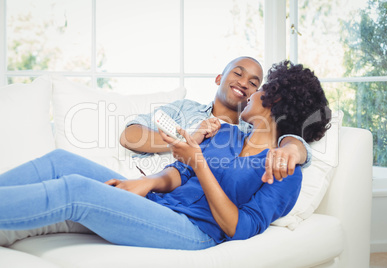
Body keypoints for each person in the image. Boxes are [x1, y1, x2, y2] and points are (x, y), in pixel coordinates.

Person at [0, 61, 330, 249]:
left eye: (260, 88)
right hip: (159, 204)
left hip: (193, 230)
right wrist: (149, 184)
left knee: (76, 191)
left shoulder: (285, 170)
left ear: (273, 101)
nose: (250, 93)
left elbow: (239, 228)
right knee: (62, 161)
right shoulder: (225, 133)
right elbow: (179, 173)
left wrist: (198, 161)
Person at [120, 56, 311, 184]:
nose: (244, 83)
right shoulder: (185, 108)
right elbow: (129, 136)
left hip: (168, 194)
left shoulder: (251, 133)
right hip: (132, 173)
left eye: (253, 83)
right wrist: (187, 141)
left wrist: (292, 148)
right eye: (238, 73)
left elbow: (295, 143)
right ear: (219, 78)